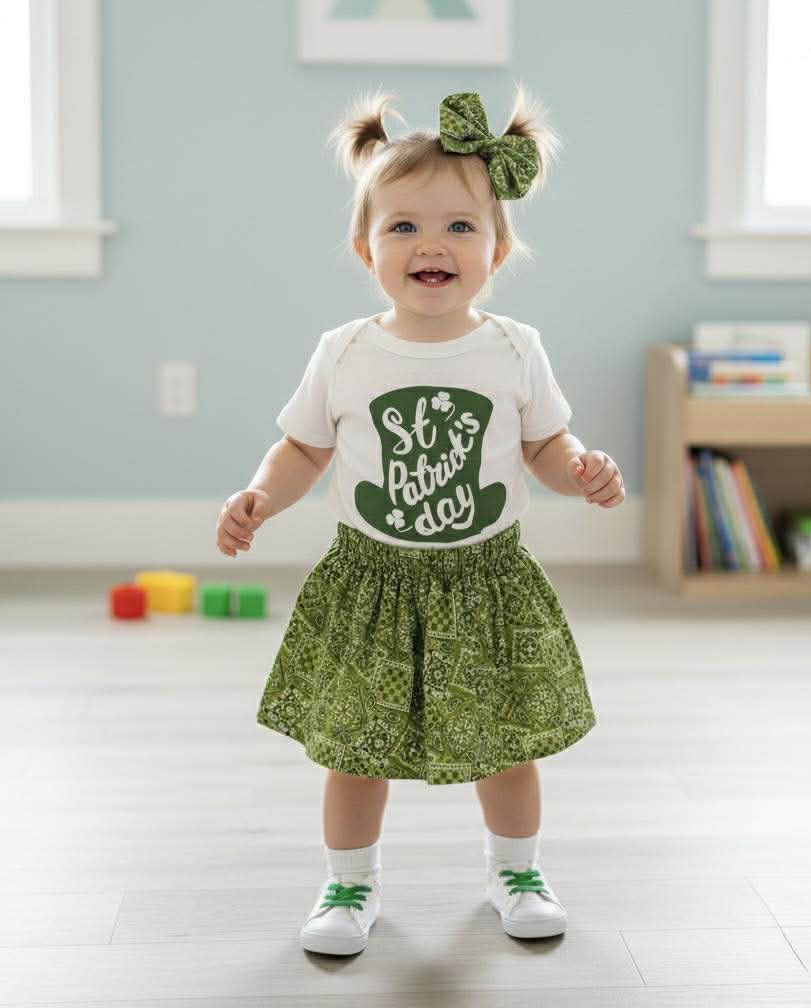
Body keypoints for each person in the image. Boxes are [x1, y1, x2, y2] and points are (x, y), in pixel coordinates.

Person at [216, 87, 625, 957]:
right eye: (402, 226)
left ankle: (517, 871)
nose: (430, 245)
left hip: (485, 583)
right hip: (373, 582)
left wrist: (580, 470)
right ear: (366, 248)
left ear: (497, 250)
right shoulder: (346, 352)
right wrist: (260, 495)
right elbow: (304, 447)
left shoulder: (513, 348)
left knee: (506, 744)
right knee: (354, 750)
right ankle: (348, 883)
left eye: (458, 227)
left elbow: (544, 443)